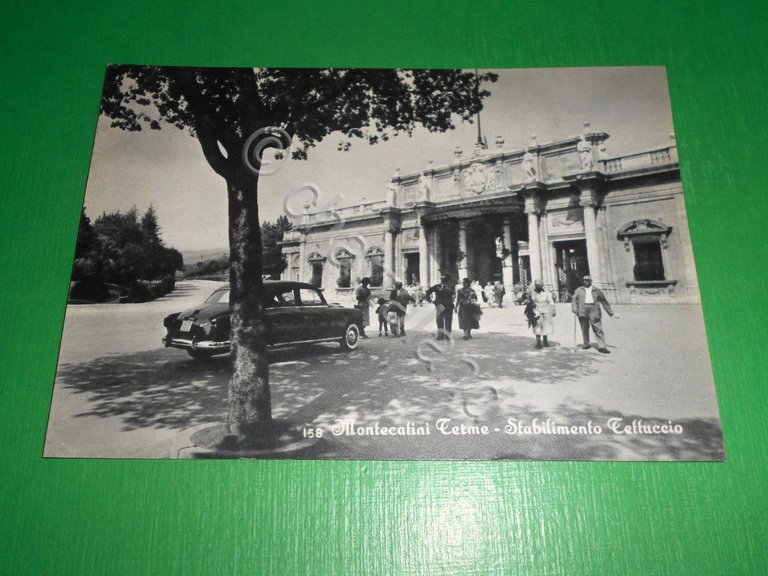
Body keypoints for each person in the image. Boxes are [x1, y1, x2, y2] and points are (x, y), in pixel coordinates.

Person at [571, 275, 614, 353]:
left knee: (597, 328)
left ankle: (602, 346)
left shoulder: (596, 290)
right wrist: (574, 308)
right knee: (584, 327)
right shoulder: (579, 290)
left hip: (594, 310)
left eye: (587, 280)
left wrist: (610, 313)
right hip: (582, 310)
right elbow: (574, 299)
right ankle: (586, 344)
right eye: (584, 280)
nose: (585, 281)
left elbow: (604, 301)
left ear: (591, 281)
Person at [426, 274, 456, 340]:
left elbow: (452, 293)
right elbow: (428, 292)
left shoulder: (451, 287)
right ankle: (440, 334)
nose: (442, 280)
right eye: (441, 279)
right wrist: (430, 300)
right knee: (439, 319)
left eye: (444, 279)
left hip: (448, 305)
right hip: (440, 305)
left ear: (447, 280)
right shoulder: (437, 286)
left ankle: (447, 335)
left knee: (448, 320)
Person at [528, 280, 556, 349]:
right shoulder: (533, 293)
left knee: (546, 326)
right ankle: (538, 342)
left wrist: (553, 310)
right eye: (536, 285)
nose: (537, 287)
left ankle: (545, 340)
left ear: (542, 286)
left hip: (546, 311)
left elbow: (551, 302)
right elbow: (531, 301)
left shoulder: (547, 293)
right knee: (536, 326)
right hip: (536, 311)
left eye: (539, 285)